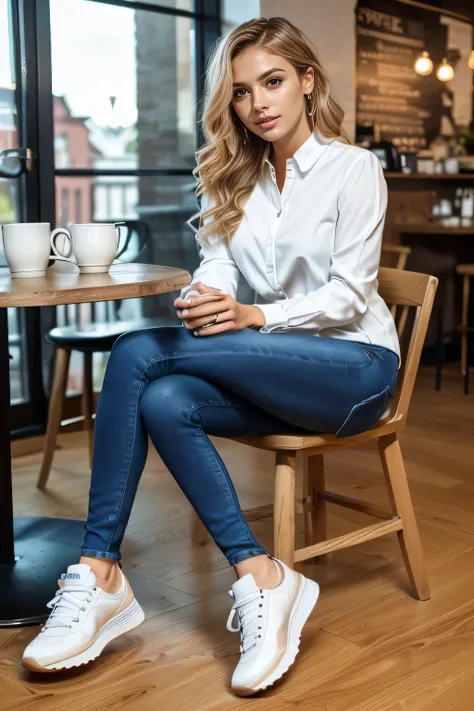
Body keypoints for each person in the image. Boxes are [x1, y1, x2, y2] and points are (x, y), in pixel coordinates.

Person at [22, 16, 400, 697]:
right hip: (277, 367)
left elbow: (349, 297)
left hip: (356, 369)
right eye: (242, 90)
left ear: (308, 82)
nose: (259, 102)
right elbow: (219, 263)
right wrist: (206, 296)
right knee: (164, 396)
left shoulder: (354, 169)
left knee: (137, 350)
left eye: (274, 81)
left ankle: (100, 569)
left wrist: (254, 315)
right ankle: (261, 575)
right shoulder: (237, 179)